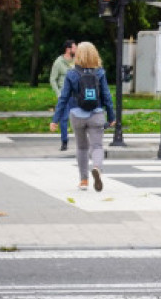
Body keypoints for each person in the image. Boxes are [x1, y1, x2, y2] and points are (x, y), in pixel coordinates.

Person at [50, 42, 115, 192]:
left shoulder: (71, 74)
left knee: (81, 147)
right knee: (97, 146)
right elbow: (106, 96)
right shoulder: (100, 73)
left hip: (77, 115)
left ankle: (84, 180)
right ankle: (97, 168)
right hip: (96, 114)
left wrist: (55, 119)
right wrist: (111, 116)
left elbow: (63, 98)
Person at [49, 40, 76, 151]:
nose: (77, 49)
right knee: (64, 119)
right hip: (64, 94)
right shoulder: (59, 62)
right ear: (68, 49)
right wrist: (58, 93)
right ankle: (64, 141)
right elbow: (52, 79)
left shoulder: (77, 60)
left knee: (81, 117)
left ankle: (82, 141)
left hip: (76, 94)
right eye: (75, 47)